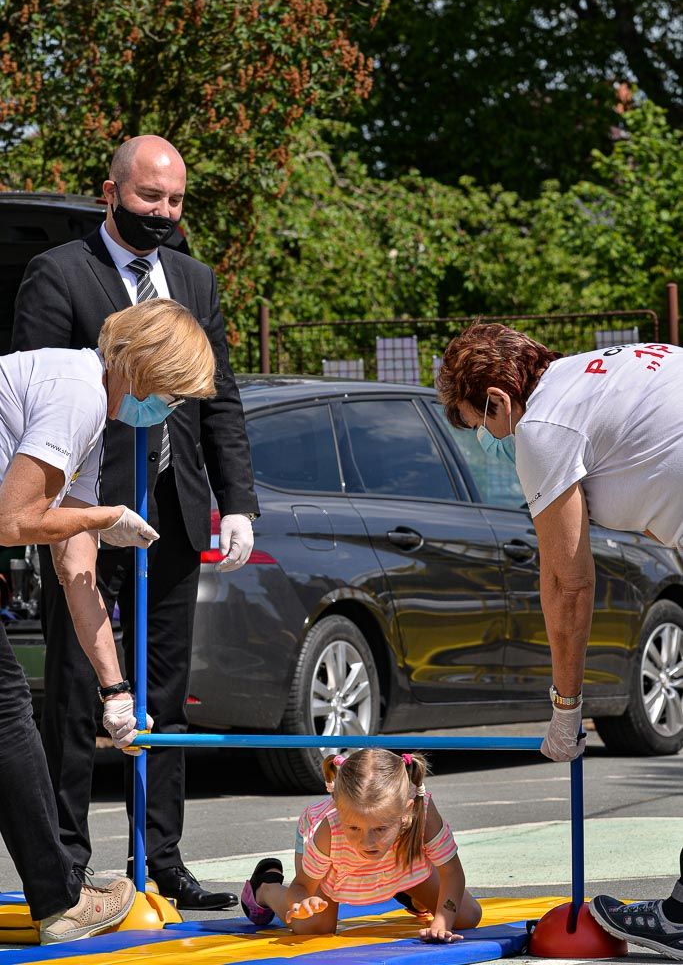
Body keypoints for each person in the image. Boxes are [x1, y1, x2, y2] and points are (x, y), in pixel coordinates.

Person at [11, 134, 259, 911]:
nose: (164, 213)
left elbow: (217, 398)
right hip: (78, 503)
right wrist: (85, 514)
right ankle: (68, 862)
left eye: (176, 200)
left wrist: (237, 501)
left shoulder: (194, 279)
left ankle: (163, 853)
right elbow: (44, 426)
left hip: (173, 510)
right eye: (150, 198)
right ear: (111, 190)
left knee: (160, 689)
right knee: (75, 690)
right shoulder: (60, 275)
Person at [437, 321, 683, 959]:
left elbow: (568, 582)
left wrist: (567, 709)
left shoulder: (542, 427)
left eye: (475, 423)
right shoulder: (602, 372)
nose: (487, 437)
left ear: (497, 398)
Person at [0, 297, 216, 942]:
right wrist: (103, 517)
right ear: (145, 366)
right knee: (9, 714)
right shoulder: (78, 393)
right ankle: (62, 901)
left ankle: (59, 890)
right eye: (173, 393)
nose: (171, 408)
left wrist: (116, 690)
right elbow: (14, 521)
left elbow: (75, 568)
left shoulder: (90, 412)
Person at [239, 748, 481, 942]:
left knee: (466, 916)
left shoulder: (423, 813)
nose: (367, 841)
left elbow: (452, 872)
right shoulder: (329, 830)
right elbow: (302, 885)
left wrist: (441, 922)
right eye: (354, 828)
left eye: (380, 829)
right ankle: (266, 888)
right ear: (340, 813)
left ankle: (407, 890)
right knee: (314, 927)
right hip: (336, 868)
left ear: (405, 813)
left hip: (398, 863)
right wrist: (300, 903)